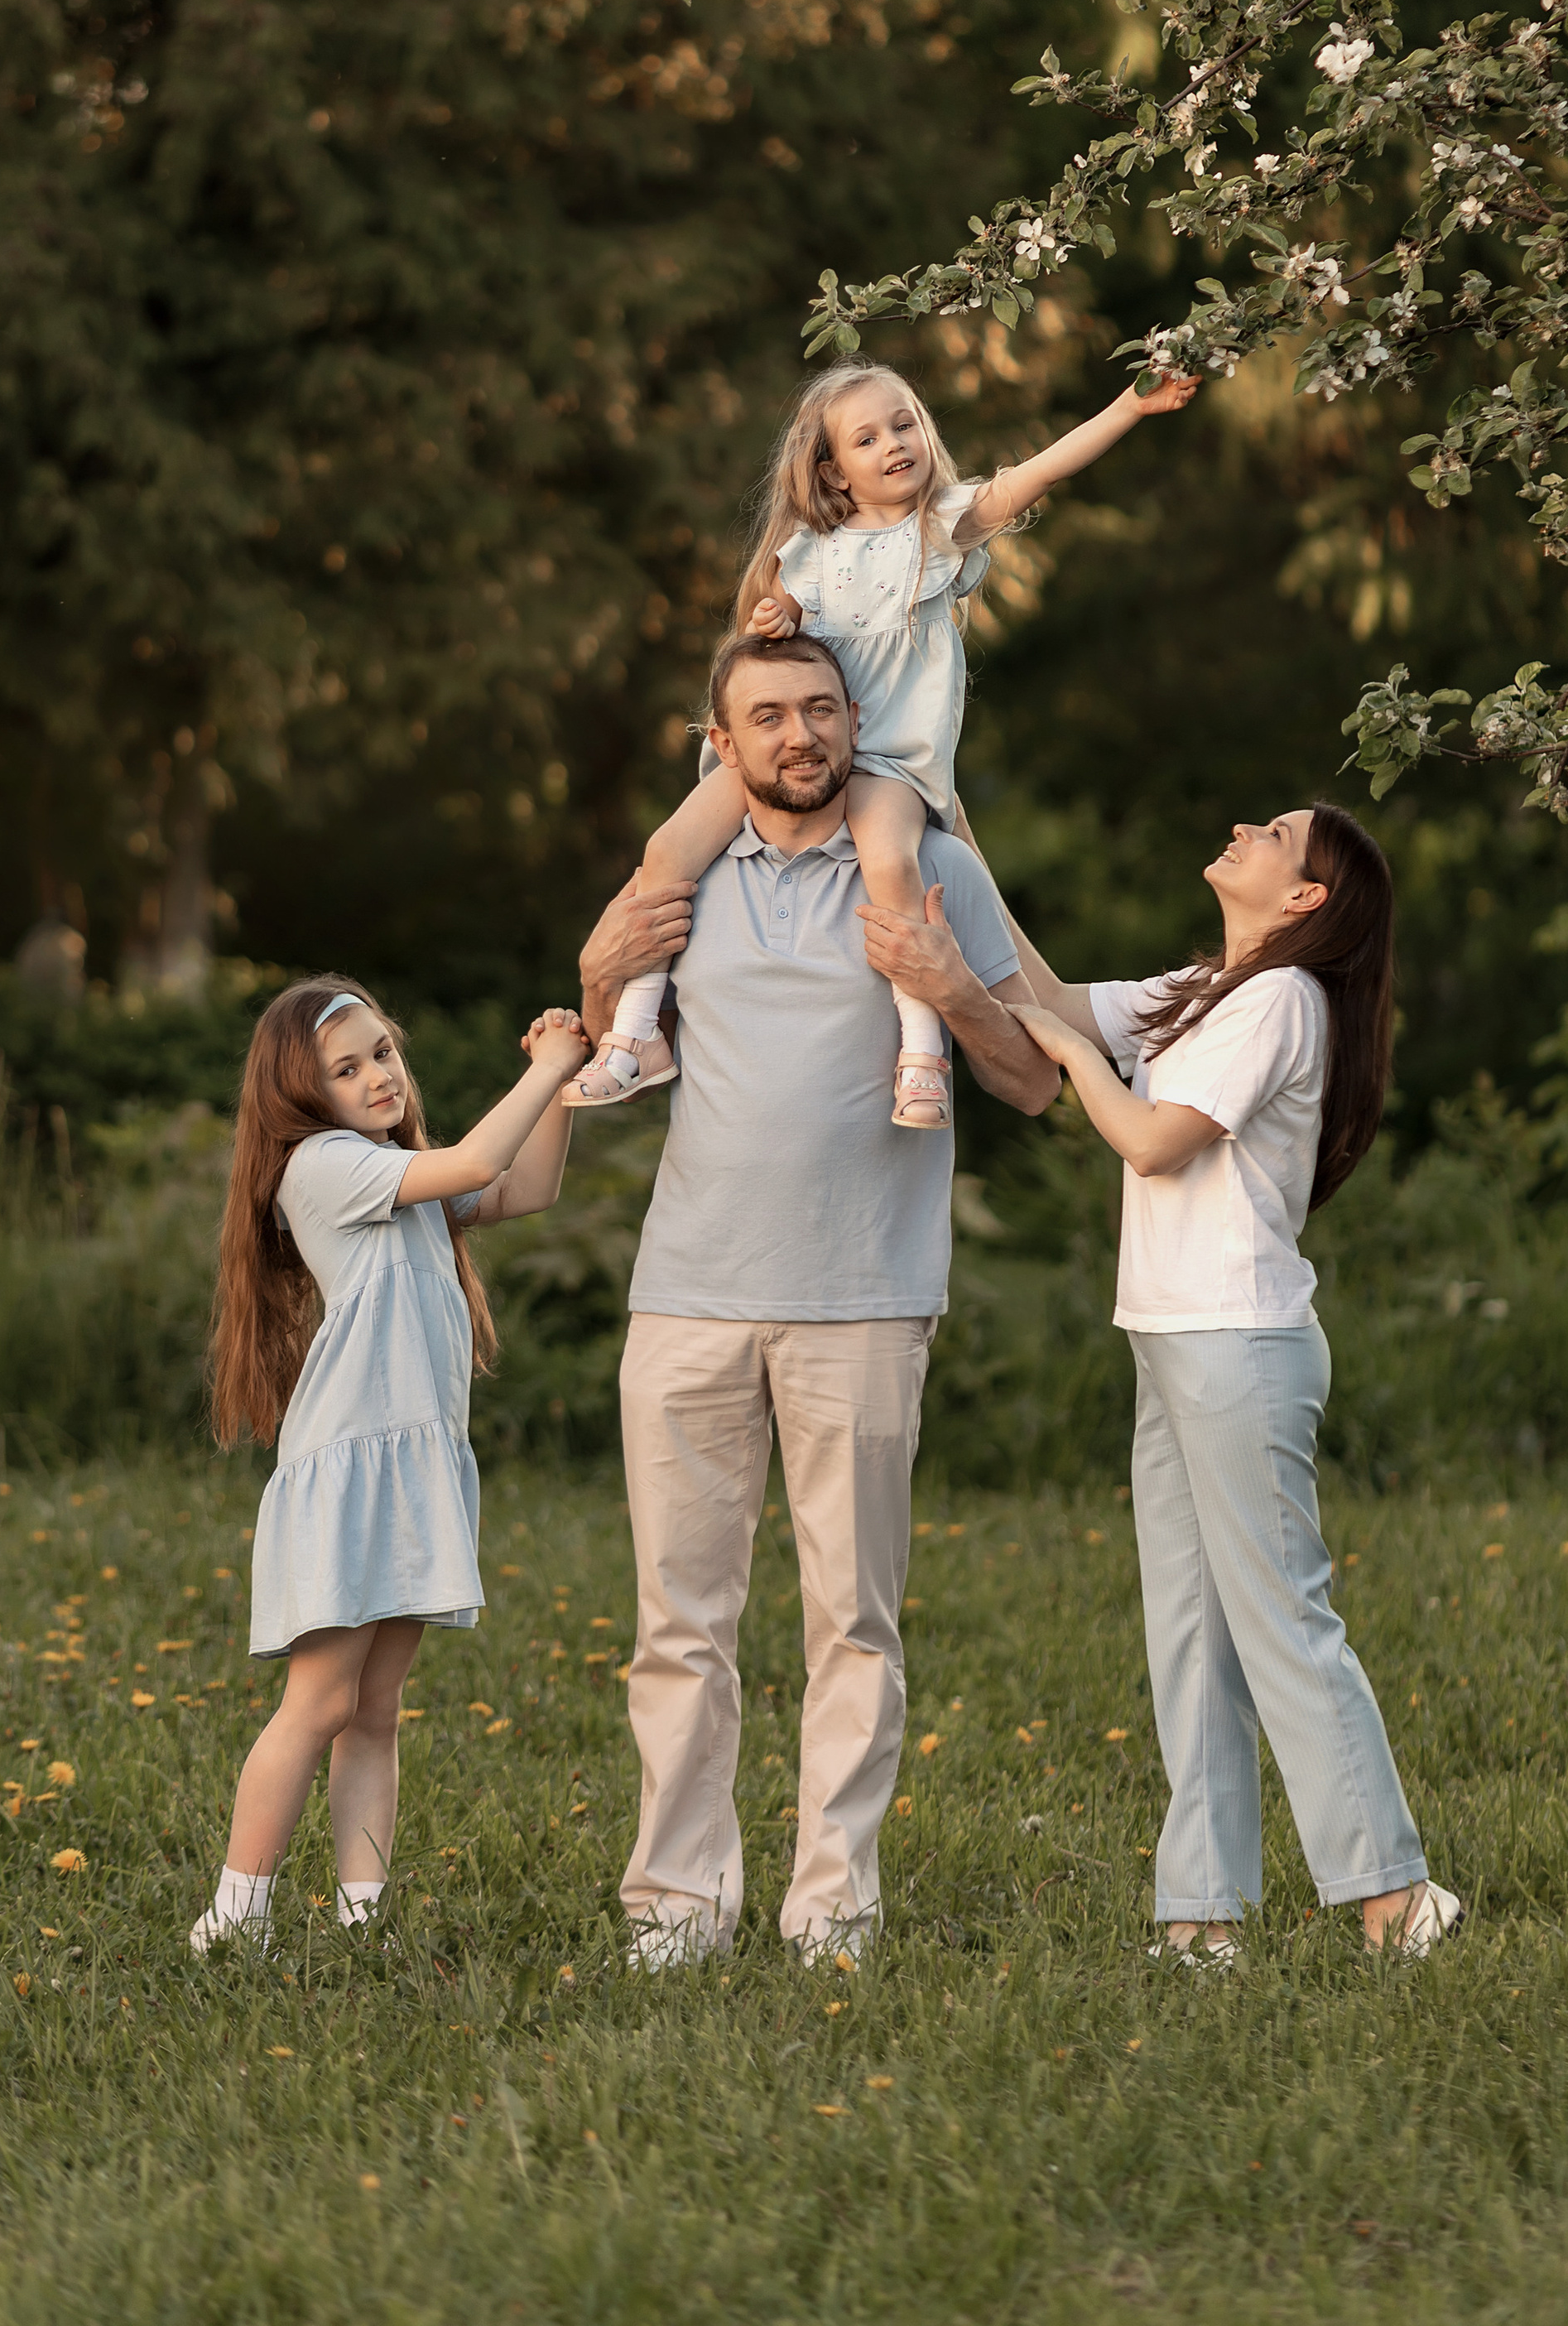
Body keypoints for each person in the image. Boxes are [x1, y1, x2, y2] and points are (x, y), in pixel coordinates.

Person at [577, 628, 1060, 1967]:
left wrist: (947, 984)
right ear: (721, 746)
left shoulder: (935, 863)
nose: (800, 738)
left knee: (853, 1619)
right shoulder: (684, 880)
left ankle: (831, 1908)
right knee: (680, 1622)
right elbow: (613, 1029)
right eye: (769, 719)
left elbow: (1032, 1083)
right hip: (687, 1294)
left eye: (821, 711)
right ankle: (677, 1906)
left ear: (857, 720)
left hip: (865, 1294)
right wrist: (593, 966)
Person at [1003, 807, 1464, 1964]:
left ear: (1306, 898)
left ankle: (1398, 1898)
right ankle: (1202, 1916)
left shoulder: (1281, 1005)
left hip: (1238, 1346)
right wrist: (950, 825)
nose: (1247, 827)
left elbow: (1156, 1141)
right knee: (1192, 1636)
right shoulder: (1210, 985)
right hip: (1173, 1339)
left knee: (1282, 1628)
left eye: (1277, 833)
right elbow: (1051, 996)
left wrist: (1070, 1064)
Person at [565, 356, 1195, 1129]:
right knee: (666, 850)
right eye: (867, 439)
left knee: (892, 866)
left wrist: (1129, 409)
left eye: (904, 424)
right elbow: (768, 635)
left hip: (886, 757)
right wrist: (773, 623)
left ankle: (921, 1054)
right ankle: (633, 1036)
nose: (895, 444)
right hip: (803, 753)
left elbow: (1037, 474)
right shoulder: (808, 554)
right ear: (834, 474)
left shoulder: (939, 530)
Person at [192, 975, 590, 1953]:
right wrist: (543, 1070)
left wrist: (567, 1088)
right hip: (350, 1467)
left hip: (412, 1468)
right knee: (322, 1700)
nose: (378, 1075)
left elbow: (527, 1183)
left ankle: (361, 1924)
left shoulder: (397, 1173)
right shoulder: (321, 1166)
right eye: (347, 1067)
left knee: (375, 1711)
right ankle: (232, 1919)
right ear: (303, 1093)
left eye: (383, 1053)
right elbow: (479, 1158)